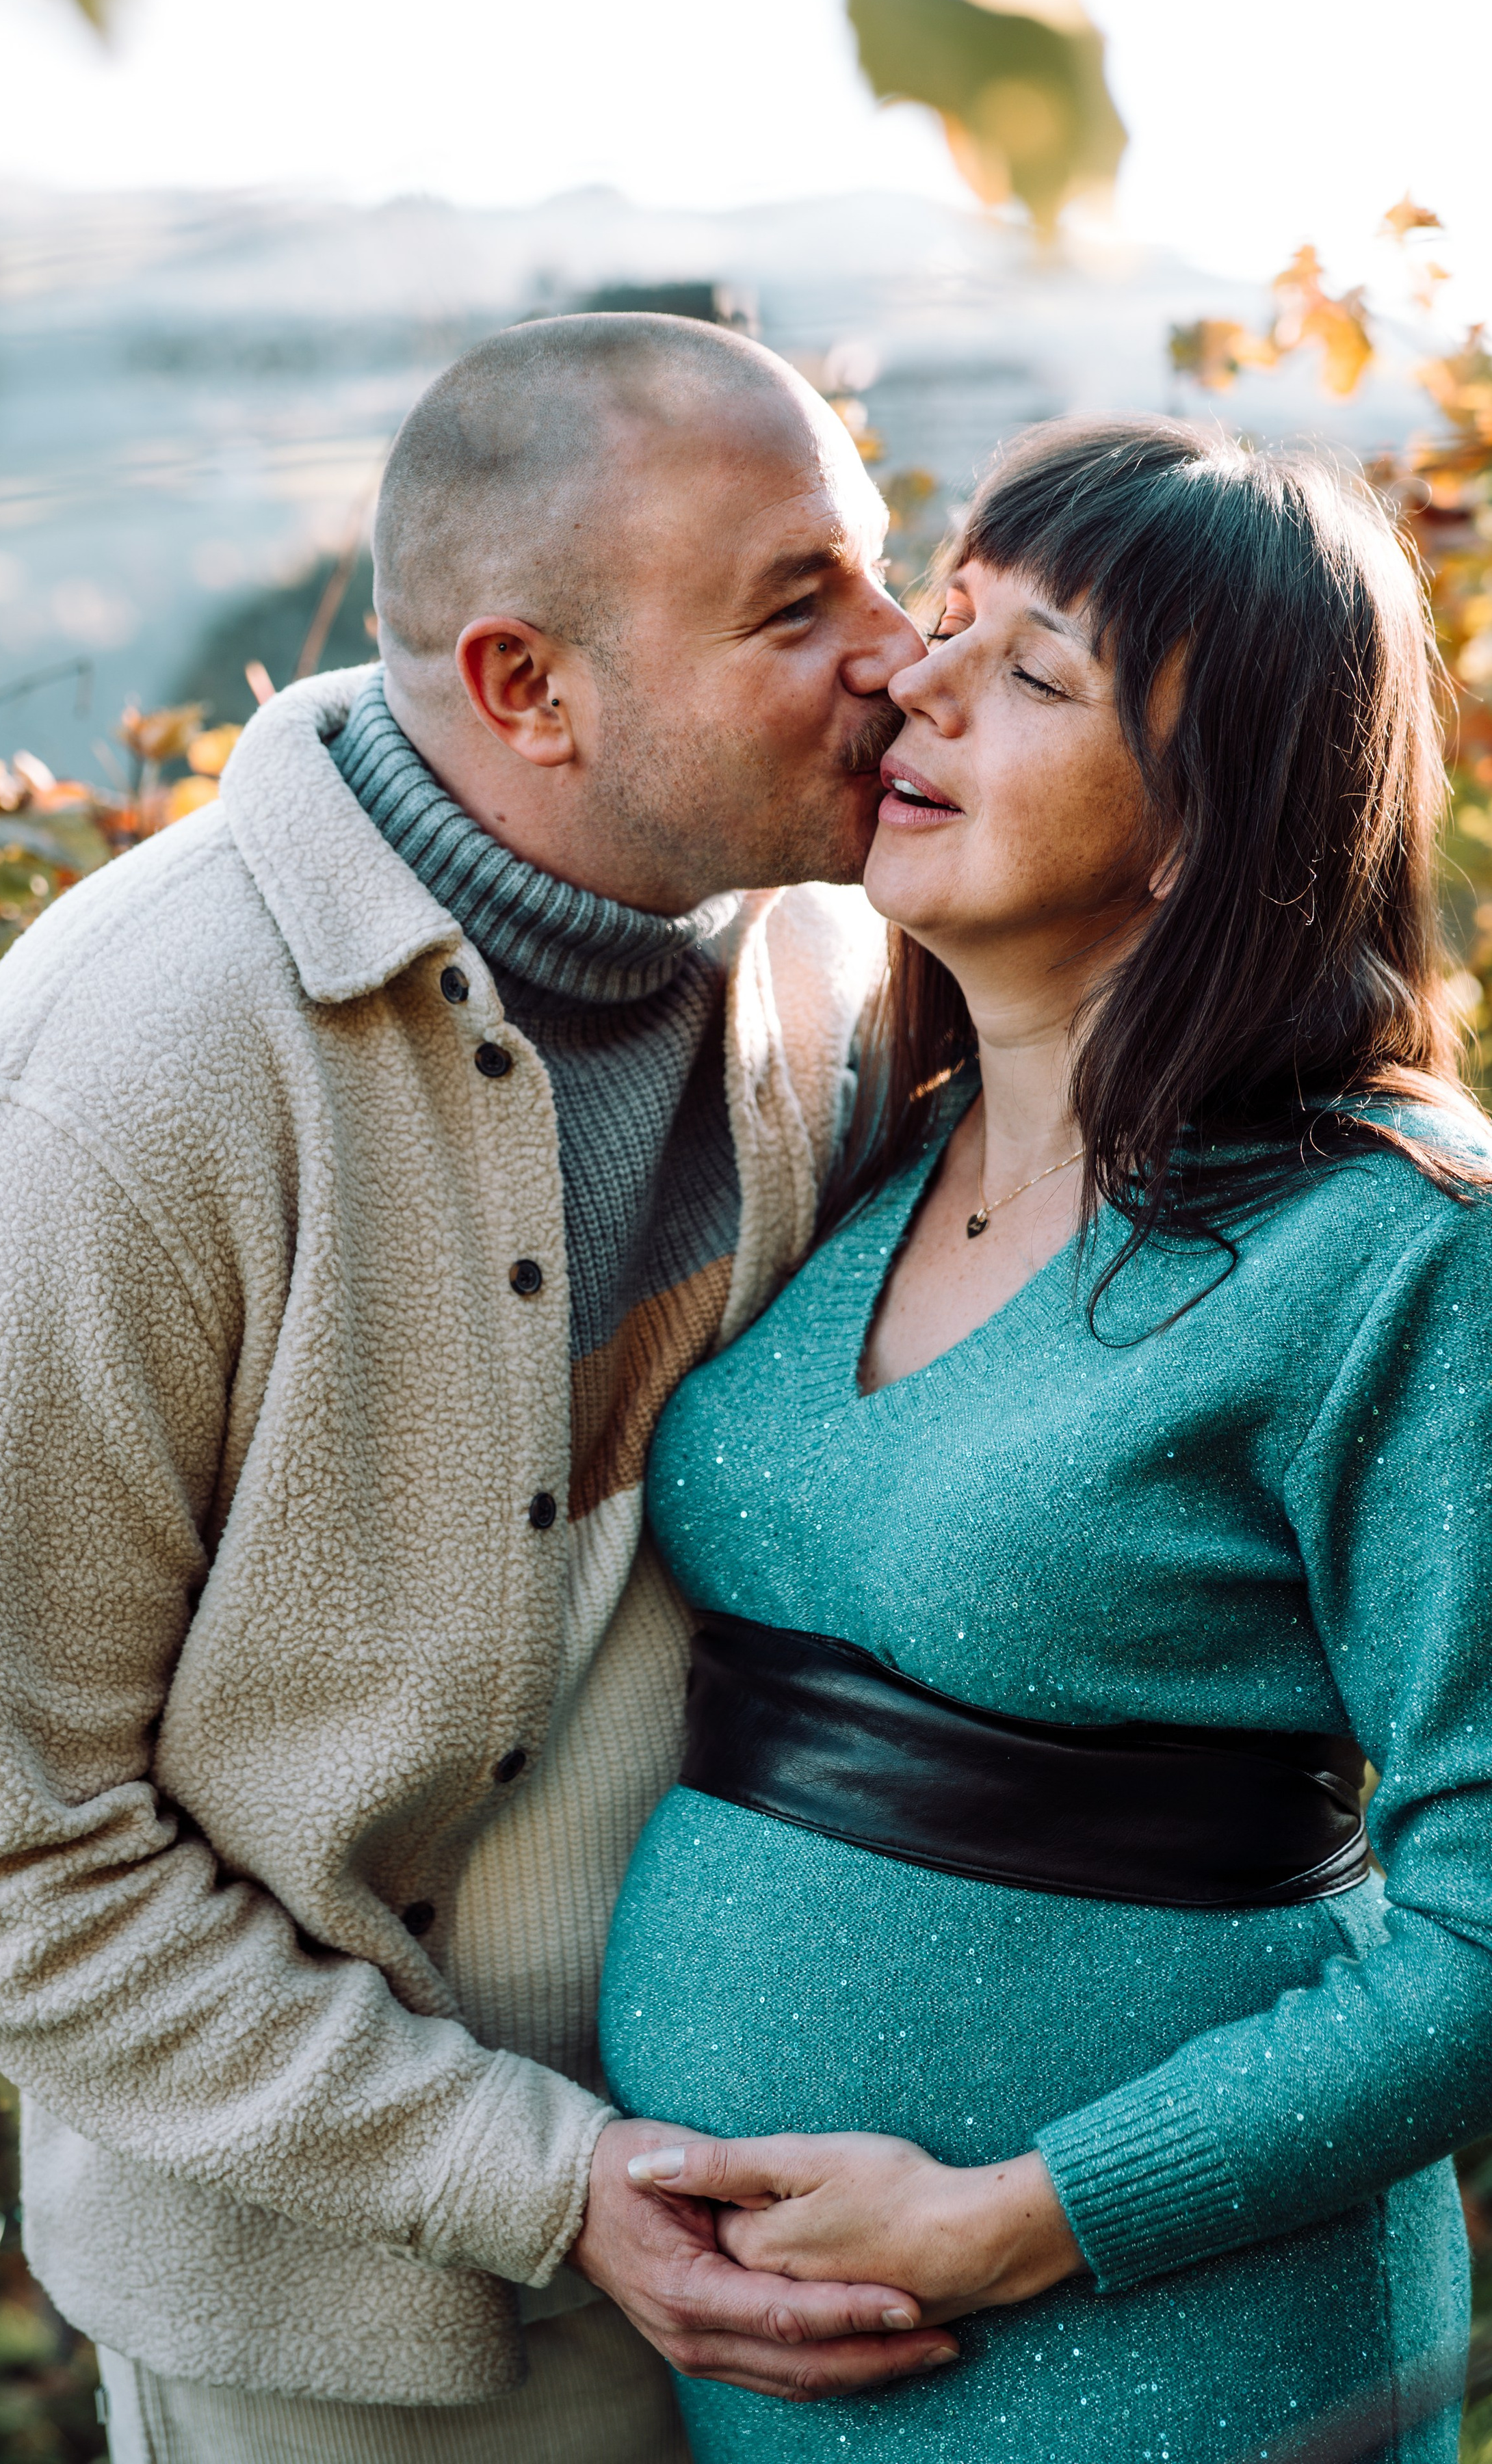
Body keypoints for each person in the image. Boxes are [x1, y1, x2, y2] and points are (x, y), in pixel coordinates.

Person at [0, 312, 962, 2464]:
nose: (900, 650)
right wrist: (537, 2183)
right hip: (339, 2324)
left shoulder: (818, 964)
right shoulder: (119, 1081)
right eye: (795, 602)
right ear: (527, 691)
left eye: (880, 563)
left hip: (791, 2230)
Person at [601, 416, 1492, 2463]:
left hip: (1170, 2347)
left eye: (1033, 675)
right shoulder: (871, 1161)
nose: (917, 685)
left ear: (1204, 820)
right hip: (780, 2358)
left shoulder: (1394, 1244)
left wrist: (1020, 2224)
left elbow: (1485, 1921)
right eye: (948, 623)